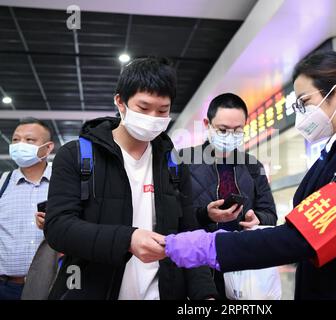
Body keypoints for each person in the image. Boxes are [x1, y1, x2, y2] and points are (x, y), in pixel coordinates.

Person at [162, 50, 336, 299]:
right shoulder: (334, 153)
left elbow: (302, 238)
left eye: (304, 102)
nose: (301, 112)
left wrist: (211, 246)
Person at [44, 57, 217, 300]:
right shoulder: (76, 155)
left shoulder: (173, 163)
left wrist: (205, 294)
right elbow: (58, 228)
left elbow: (188, 234)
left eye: (162, 110)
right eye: (144, 108)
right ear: (120, 102)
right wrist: (127, 239)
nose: (153, 117)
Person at [179, 93, 277, 298]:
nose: (230, 135)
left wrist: (257, 218)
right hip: (199, 267)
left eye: (237, 130)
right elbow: (175, 217)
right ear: (207, 124)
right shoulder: (183, 162)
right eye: (222, 130)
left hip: (240, 267)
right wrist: (206, 215)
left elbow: (269, 213)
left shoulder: (252, 166)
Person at [0, 118, 54, 300]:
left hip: (52, 285)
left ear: (48, 148)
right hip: (6, 287)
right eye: (15, 140)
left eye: (30, 140)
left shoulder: (64, 185)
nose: (20, 145)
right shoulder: (2, 184)